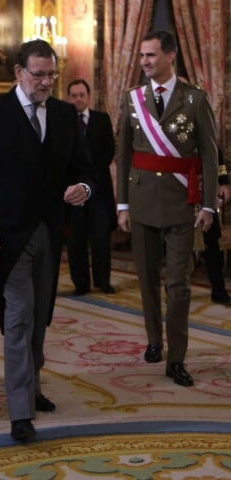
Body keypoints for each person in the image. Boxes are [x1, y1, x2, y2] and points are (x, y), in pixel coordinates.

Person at [0, 39, 94, 442]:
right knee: (18, 317)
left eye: (52, 74)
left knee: (40, 316)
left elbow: (85, 168)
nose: (47, 82)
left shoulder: (67, 115)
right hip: (8, 234)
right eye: (38, 74)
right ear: (18, 72)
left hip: (51, 232)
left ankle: (32, 383)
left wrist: (83, 187)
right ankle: (20, 410)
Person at [116, 30, 218, 388]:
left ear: (170, 56)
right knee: (145, 280)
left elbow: (209, 154)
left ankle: (177, 358)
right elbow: (124, 154)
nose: (144, 61)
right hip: (141, 201)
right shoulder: (132, 100)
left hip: (181, 204)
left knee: (179, 286)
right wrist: (122, 205)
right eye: (142, 55)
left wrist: (209, 205)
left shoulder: (195, 100)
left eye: (151, 55)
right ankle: (154, 341)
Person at [66, 79, 117, 295]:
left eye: (81, 95)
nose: (78, 99)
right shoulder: (64, 120)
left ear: (88, 97)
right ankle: (81, 284)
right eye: (74, 95)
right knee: (76, 239)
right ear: (69, 98)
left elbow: (109, 150)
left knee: (101, 237)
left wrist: (92, 179)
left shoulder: (101, 119)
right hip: (73, 190)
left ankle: (103, 281)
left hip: (99, 189)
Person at [202, 147, 230, 304]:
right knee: (178, 246)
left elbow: (216, 153)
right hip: (179, 193)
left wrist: (224, 182)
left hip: (204, 193)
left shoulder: (205, 126)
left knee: (212, 244)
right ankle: (174, 291)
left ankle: (218, 291)